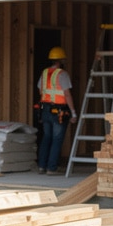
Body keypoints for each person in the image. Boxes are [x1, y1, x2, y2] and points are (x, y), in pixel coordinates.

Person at [35, 46, 77, 174]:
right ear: (60, 60)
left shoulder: (44, 72)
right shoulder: (62, 74)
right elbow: (67, 94)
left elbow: (40, 89)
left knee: (46, 137)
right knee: (57, 139)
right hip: (58, 110)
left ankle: (42, 166)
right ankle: (51, 168)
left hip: (45, 109)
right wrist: (73, 112)